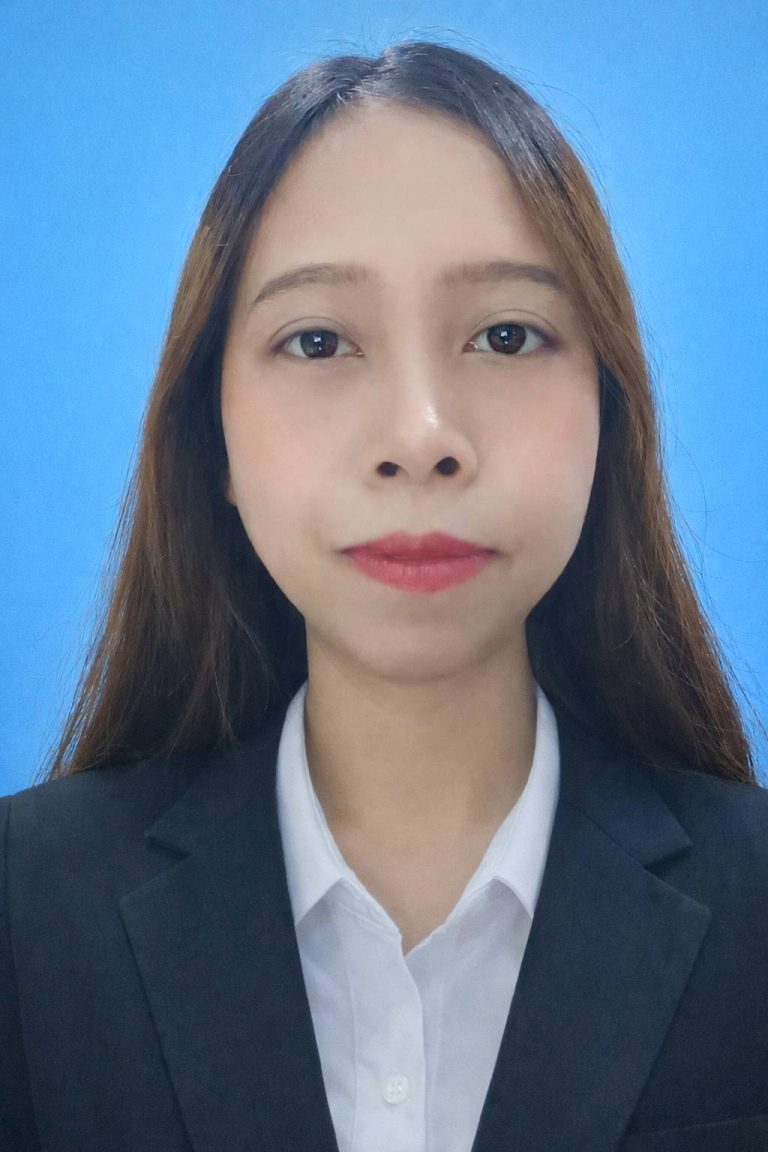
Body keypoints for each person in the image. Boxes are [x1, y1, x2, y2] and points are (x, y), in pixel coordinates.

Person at [2, 39, 767, 1152]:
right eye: (318, 340)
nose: (420, 436)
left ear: (609, 411)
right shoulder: (26, 914)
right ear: (212, 435)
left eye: (506, 335)